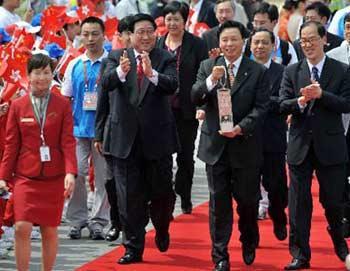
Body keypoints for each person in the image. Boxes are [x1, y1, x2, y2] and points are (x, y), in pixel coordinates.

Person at [95, 13, 179, 264]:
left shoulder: (165, 57)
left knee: (162, 194)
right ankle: (133, 247)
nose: (145, 36)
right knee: (128, 197)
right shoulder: (114, 57)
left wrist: (152, 74)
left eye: (149, 31)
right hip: (124, 140)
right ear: (129, 35)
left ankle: (162, 226)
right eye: (139, 32)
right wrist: (121, 71)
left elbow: (172, 85)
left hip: (157, 140)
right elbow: (106, 86)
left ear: (156, 33)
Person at [191, 20, 268, 270]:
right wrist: (211, 81)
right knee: (218, 203)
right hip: (215, 147)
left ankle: (248, 238)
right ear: (218, 42)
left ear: (243, 42)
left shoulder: (256, 71)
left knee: (247, 201)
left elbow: (262, 107)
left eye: (234, 39)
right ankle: (220, 255)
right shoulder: (207, 66)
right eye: (224, 40)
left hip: (245, 146)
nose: (228, 44)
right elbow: (195, 96)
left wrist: (241, 127)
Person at [280, 21, 350, 270]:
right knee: (299, 203)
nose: (307, 44)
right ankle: (300, 254)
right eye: (303, 40)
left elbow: (347, 103)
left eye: (312, 39)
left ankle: (339, 240)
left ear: (324, 40)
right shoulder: (292, 71)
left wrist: (322, 95)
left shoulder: (341, 70)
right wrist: (299, 101)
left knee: (332, 202)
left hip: (330, 145)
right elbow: (281, 104)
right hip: (299, 146)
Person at [0, 53, 76, 271]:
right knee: (21, 227)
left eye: (46, 73)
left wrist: (70, 172)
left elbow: (68, 141)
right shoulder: (17, 105)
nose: (42, 78)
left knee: (49, 229)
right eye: (37, 73)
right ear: (28, 76)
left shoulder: (62, 105)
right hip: (25, 177)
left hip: (53, 178)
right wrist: (3, 177)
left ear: (52, 75)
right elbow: (11, 144)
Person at [156, 1, 208, 214]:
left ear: (184, 20)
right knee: (164, 156)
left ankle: (184, 195)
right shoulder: (158, 43)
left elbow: (203, 75)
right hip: (162, 110)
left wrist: (202, 103)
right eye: (169, 18)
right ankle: (166, 199)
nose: (172, 23)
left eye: (176, 18)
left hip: (186, 108)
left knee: (186, 155)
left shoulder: (196, 44)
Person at [62, 16, 110, 241]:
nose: (90, 39)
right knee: (77, 174)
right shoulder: (73, 64)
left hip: (104, 132)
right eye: (86, 34)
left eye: (95, 34)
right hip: (78, 130)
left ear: (104, 35)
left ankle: (99, 222)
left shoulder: (112, 63)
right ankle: (77, 220)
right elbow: (65, 99)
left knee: (102, 177)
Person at [250, 28, 288, 239]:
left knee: (276, 186)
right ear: (250, 45)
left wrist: (258, 103)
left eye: (265, 43)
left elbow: (282, 102)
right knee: (249, 189)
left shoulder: (282, 72)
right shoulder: (242, 70)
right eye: (256, 42)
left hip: (273, 137)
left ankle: (278, 215)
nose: (260, 47)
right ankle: (251, 235)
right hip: (246, 138)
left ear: (273, 46)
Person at [327, 12, 350, 238]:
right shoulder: (334, 56)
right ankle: (344, 216)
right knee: (342, 171)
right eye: (349, 27)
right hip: (342, 123)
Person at [246, 2, 298, 66]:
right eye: (255, 22)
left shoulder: (285, 47)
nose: (258, 27)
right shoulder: (245, 46)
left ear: (274, 22)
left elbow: (293, 71)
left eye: (262, 23)